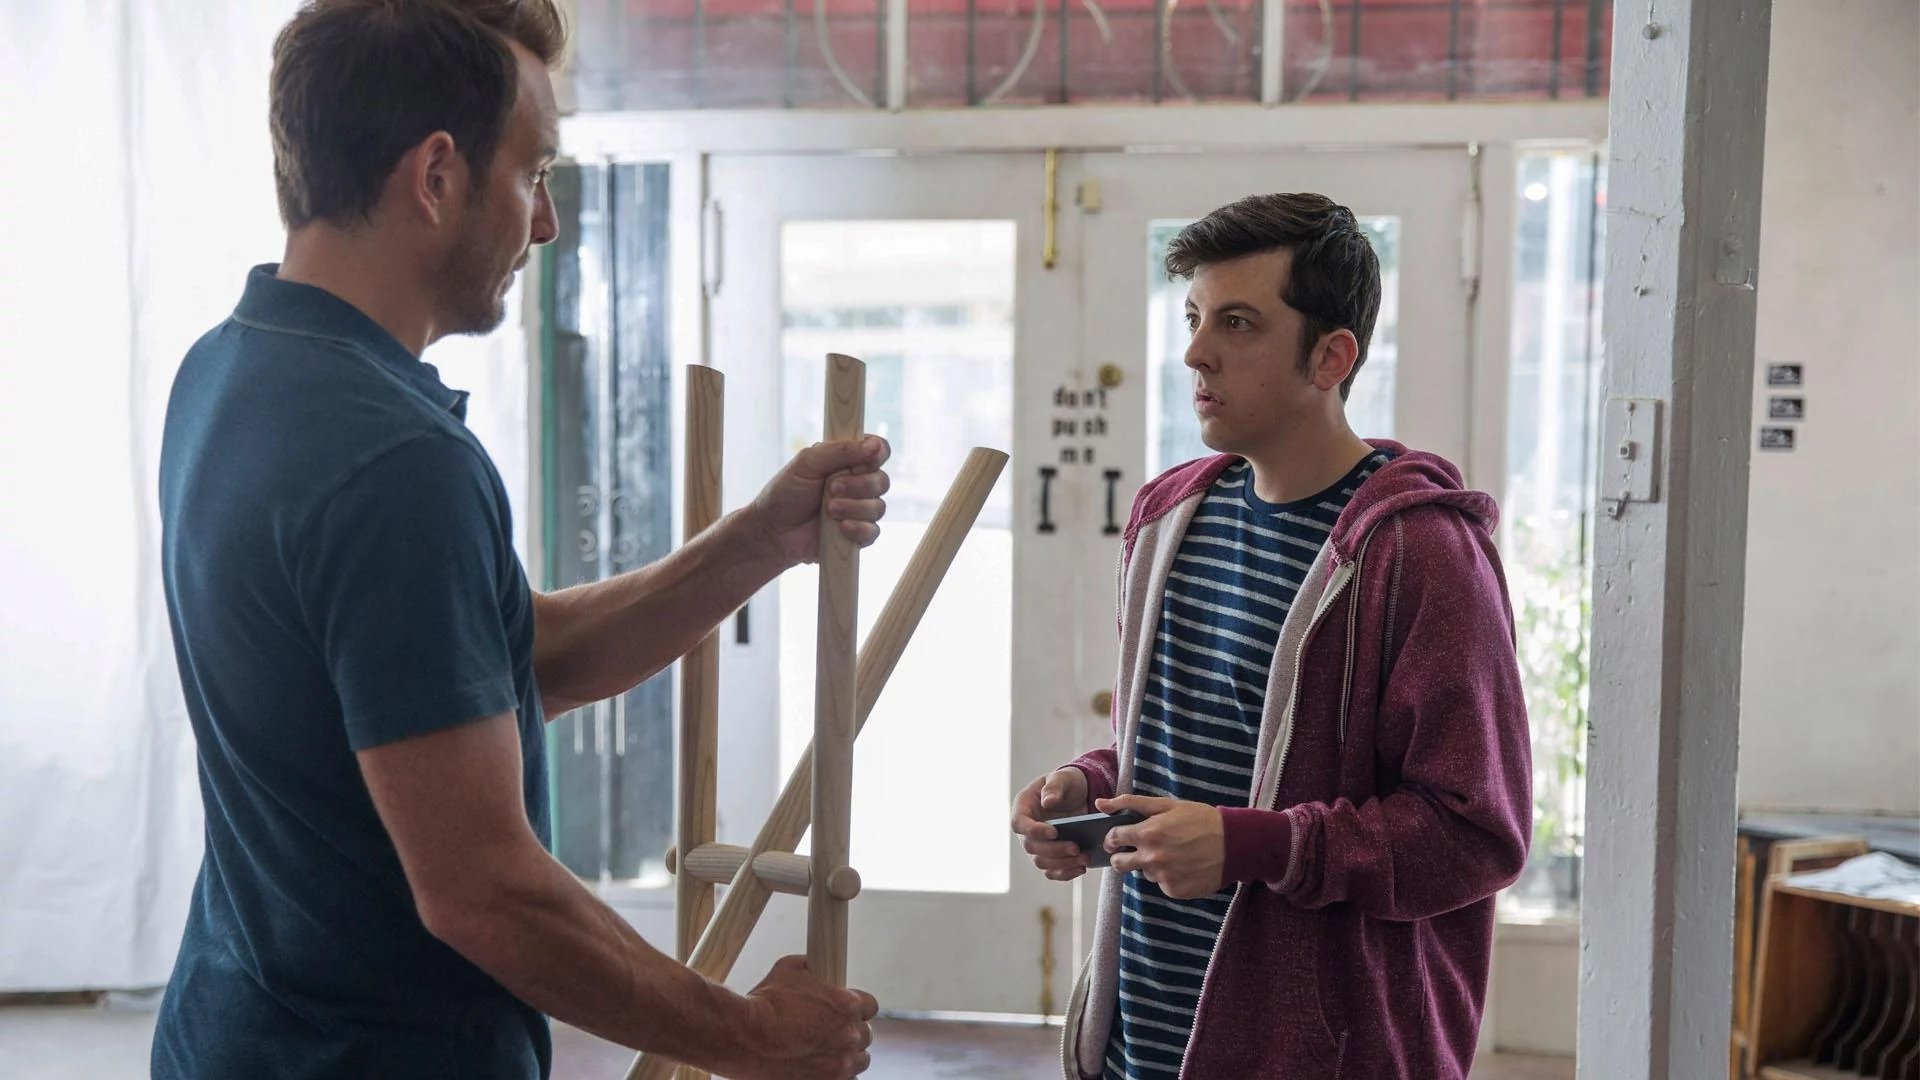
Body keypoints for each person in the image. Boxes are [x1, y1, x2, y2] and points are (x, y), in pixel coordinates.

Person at [153, 2, 881, 1077]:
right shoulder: (394, 461)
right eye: (534, 174)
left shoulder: (231, 368)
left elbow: (496, 668)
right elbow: (483, 889)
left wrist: (757, 542)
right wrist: (751, 1036)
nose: (545, 224)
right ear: (436, 175)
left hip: (237, 1031)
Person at [1010, 193, 1531, 1079]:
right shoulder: (1167, 518)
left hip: (1320, 1055)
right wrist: (1093, 788)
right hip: (1140, 1042)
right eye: (1193, 318)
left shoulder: (1422, 553)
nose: (1195, 352)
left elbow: (1474, 834)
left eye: (1238, 323)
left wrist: (1260, 846)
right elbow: (1195, 749)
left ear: (1331, 357)